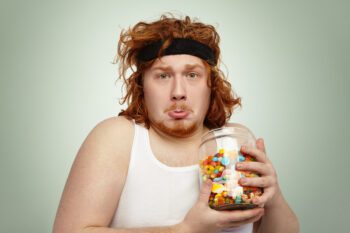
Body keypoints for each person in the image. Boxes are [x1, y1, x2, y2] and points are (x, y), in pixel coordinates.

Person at [53, 15, 299, 233]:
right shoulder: (119, 138)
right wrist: (185, 230)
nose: (178, 92)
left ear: (210, 85)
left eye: (192, 75)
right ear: (142, 86)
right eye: (163, 75)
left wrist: (274, 196)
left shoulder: (231, 144)